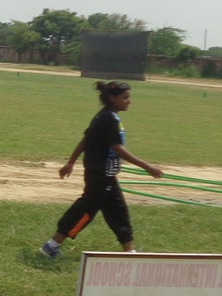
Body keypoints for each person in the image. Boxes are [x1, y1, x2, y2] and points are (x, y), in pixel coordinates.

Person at [40, 80, 163, 258]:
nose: (129, 101)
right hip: (100, 174)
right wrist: (147, 166)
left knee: (118, 211)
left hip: (104, 174)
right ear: (113, 98)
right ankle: (51, 246)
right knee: (85, 211)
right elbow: (117, 148)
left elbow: (85, 140)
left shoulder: (104, 115)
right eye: (125, 98)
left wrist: (71, 163)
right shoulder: (109, 118)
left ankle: (130, 252)